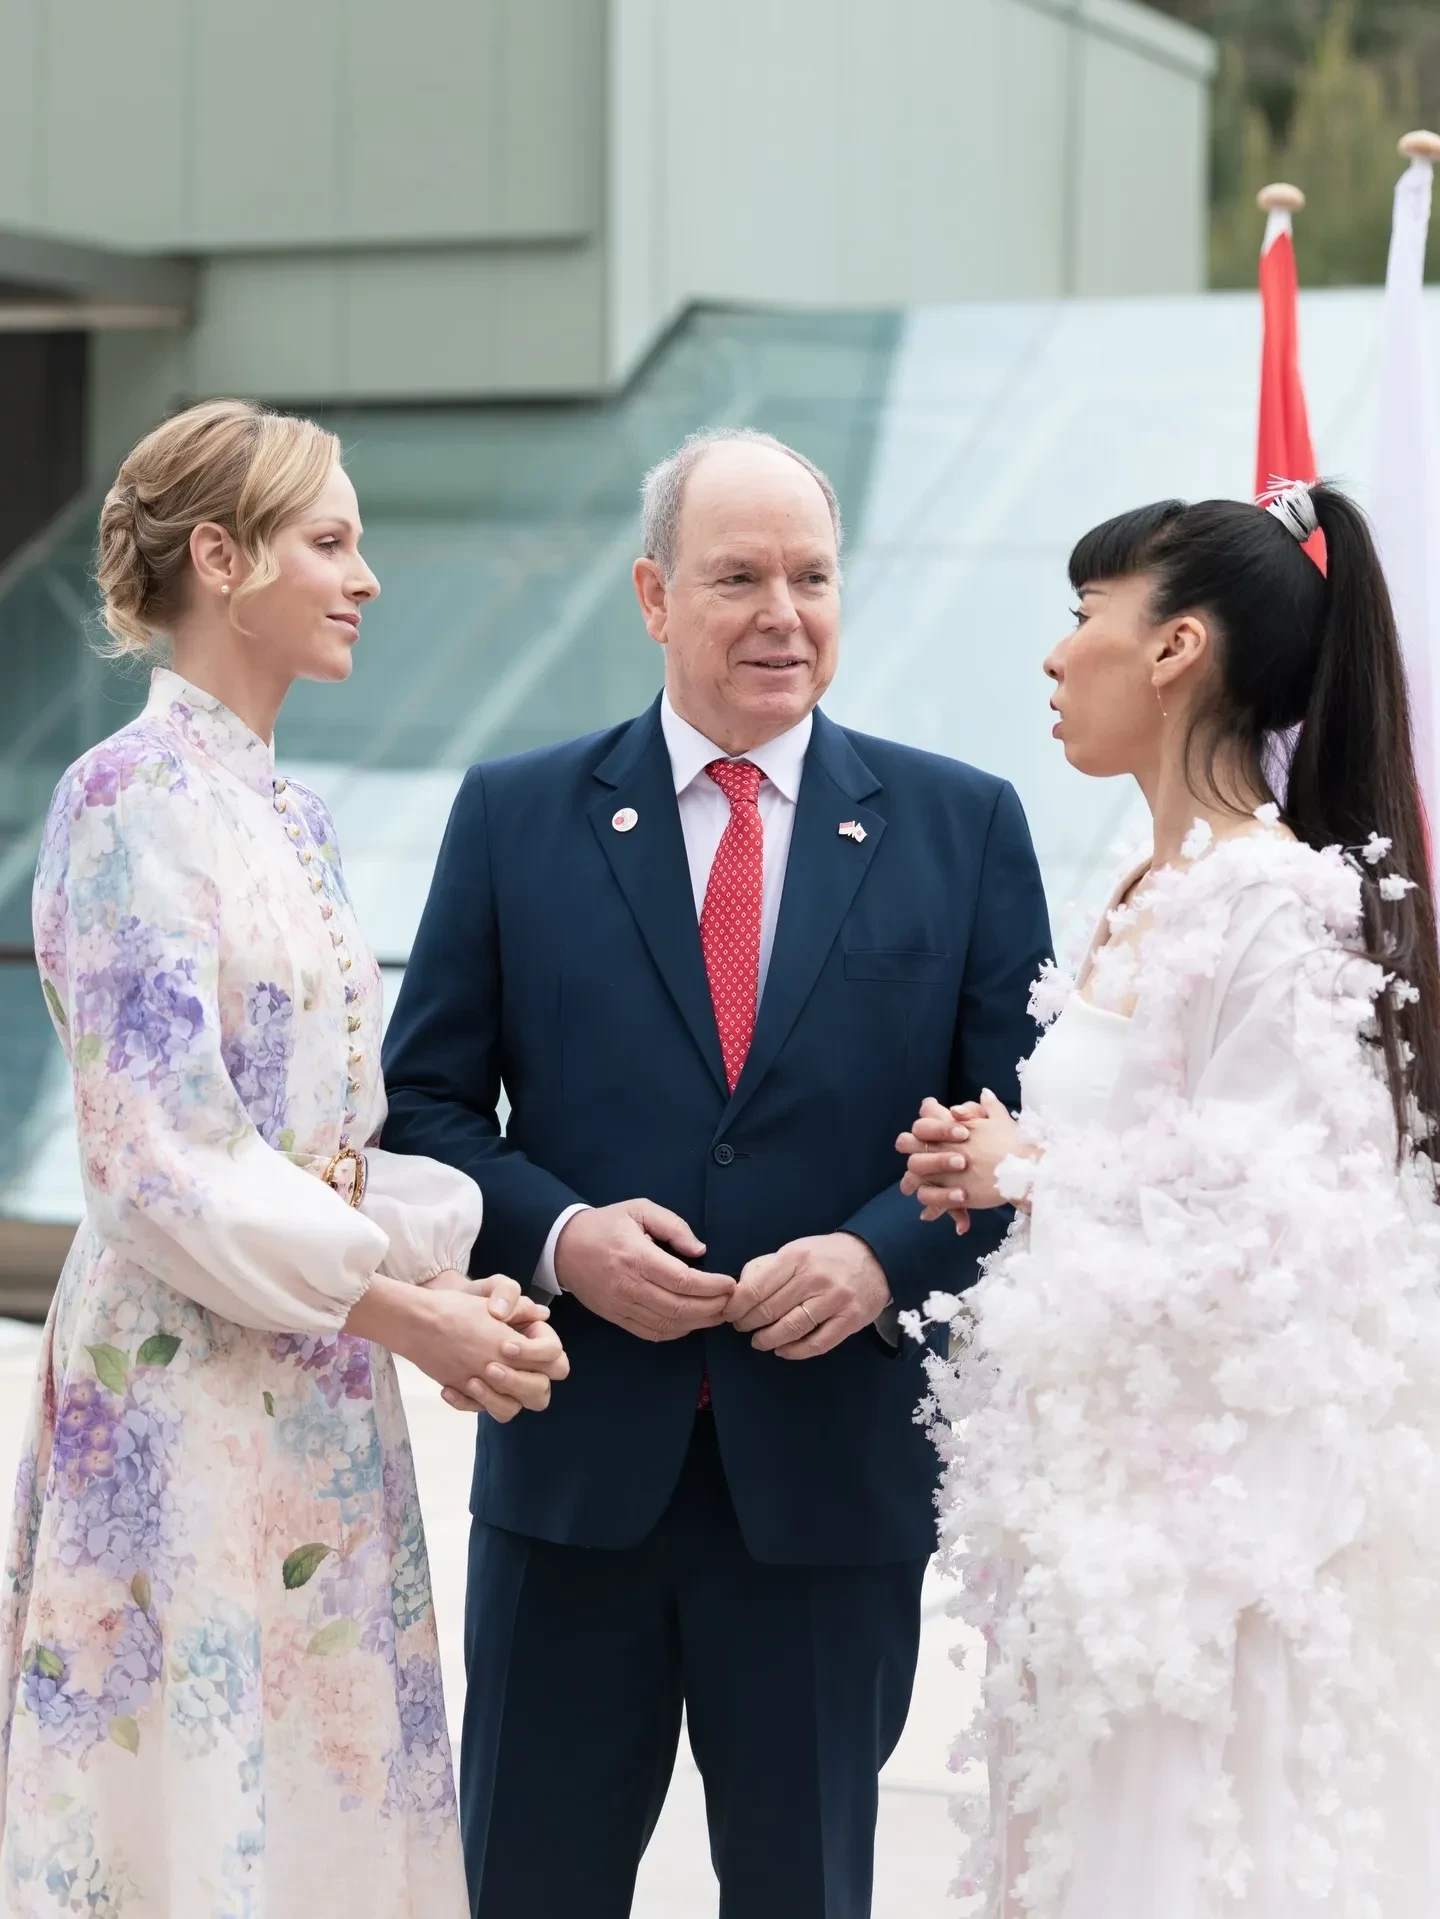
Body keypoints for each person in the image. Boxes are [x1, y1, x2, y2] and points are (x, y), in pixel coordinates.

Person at [380, 426, 1051, 1919]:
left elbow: (1024, 1130)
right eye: (738, 577)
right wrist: (561, 1236)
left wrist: (879, 1252)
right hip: (574, 1468)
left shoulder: (963, 826)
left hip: (829, 1480)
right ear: (652, 596)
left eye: (812, 576)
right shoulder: (514, 815)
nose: (782, 615)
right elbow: (423, 1106)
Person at [0, 400, 568, 1919]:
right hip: (176, 1383)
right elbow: (159, 1157)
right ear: (220, 557)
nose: (365, 575)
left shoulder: (292, 815)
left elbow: (325, 1144)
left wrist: (455, 1284)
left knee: (320, 1803)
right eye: (330, 540)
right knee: (186, 1813)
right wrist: (408, 1313)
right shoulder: (124, 798)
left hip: (313, 1377)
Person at [900, 479, 1440, 1918]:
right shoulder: (1153, 883)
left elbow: (1284, 1233)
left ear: (1176, 647)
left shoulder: (1277, 902)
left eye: (1086, 612)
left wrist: (1036, 1171)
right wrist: (1008, 1155)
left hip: (1204, 1551)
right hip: (1102, 1518)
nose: (1054, 654)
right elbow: (1164, 1152)